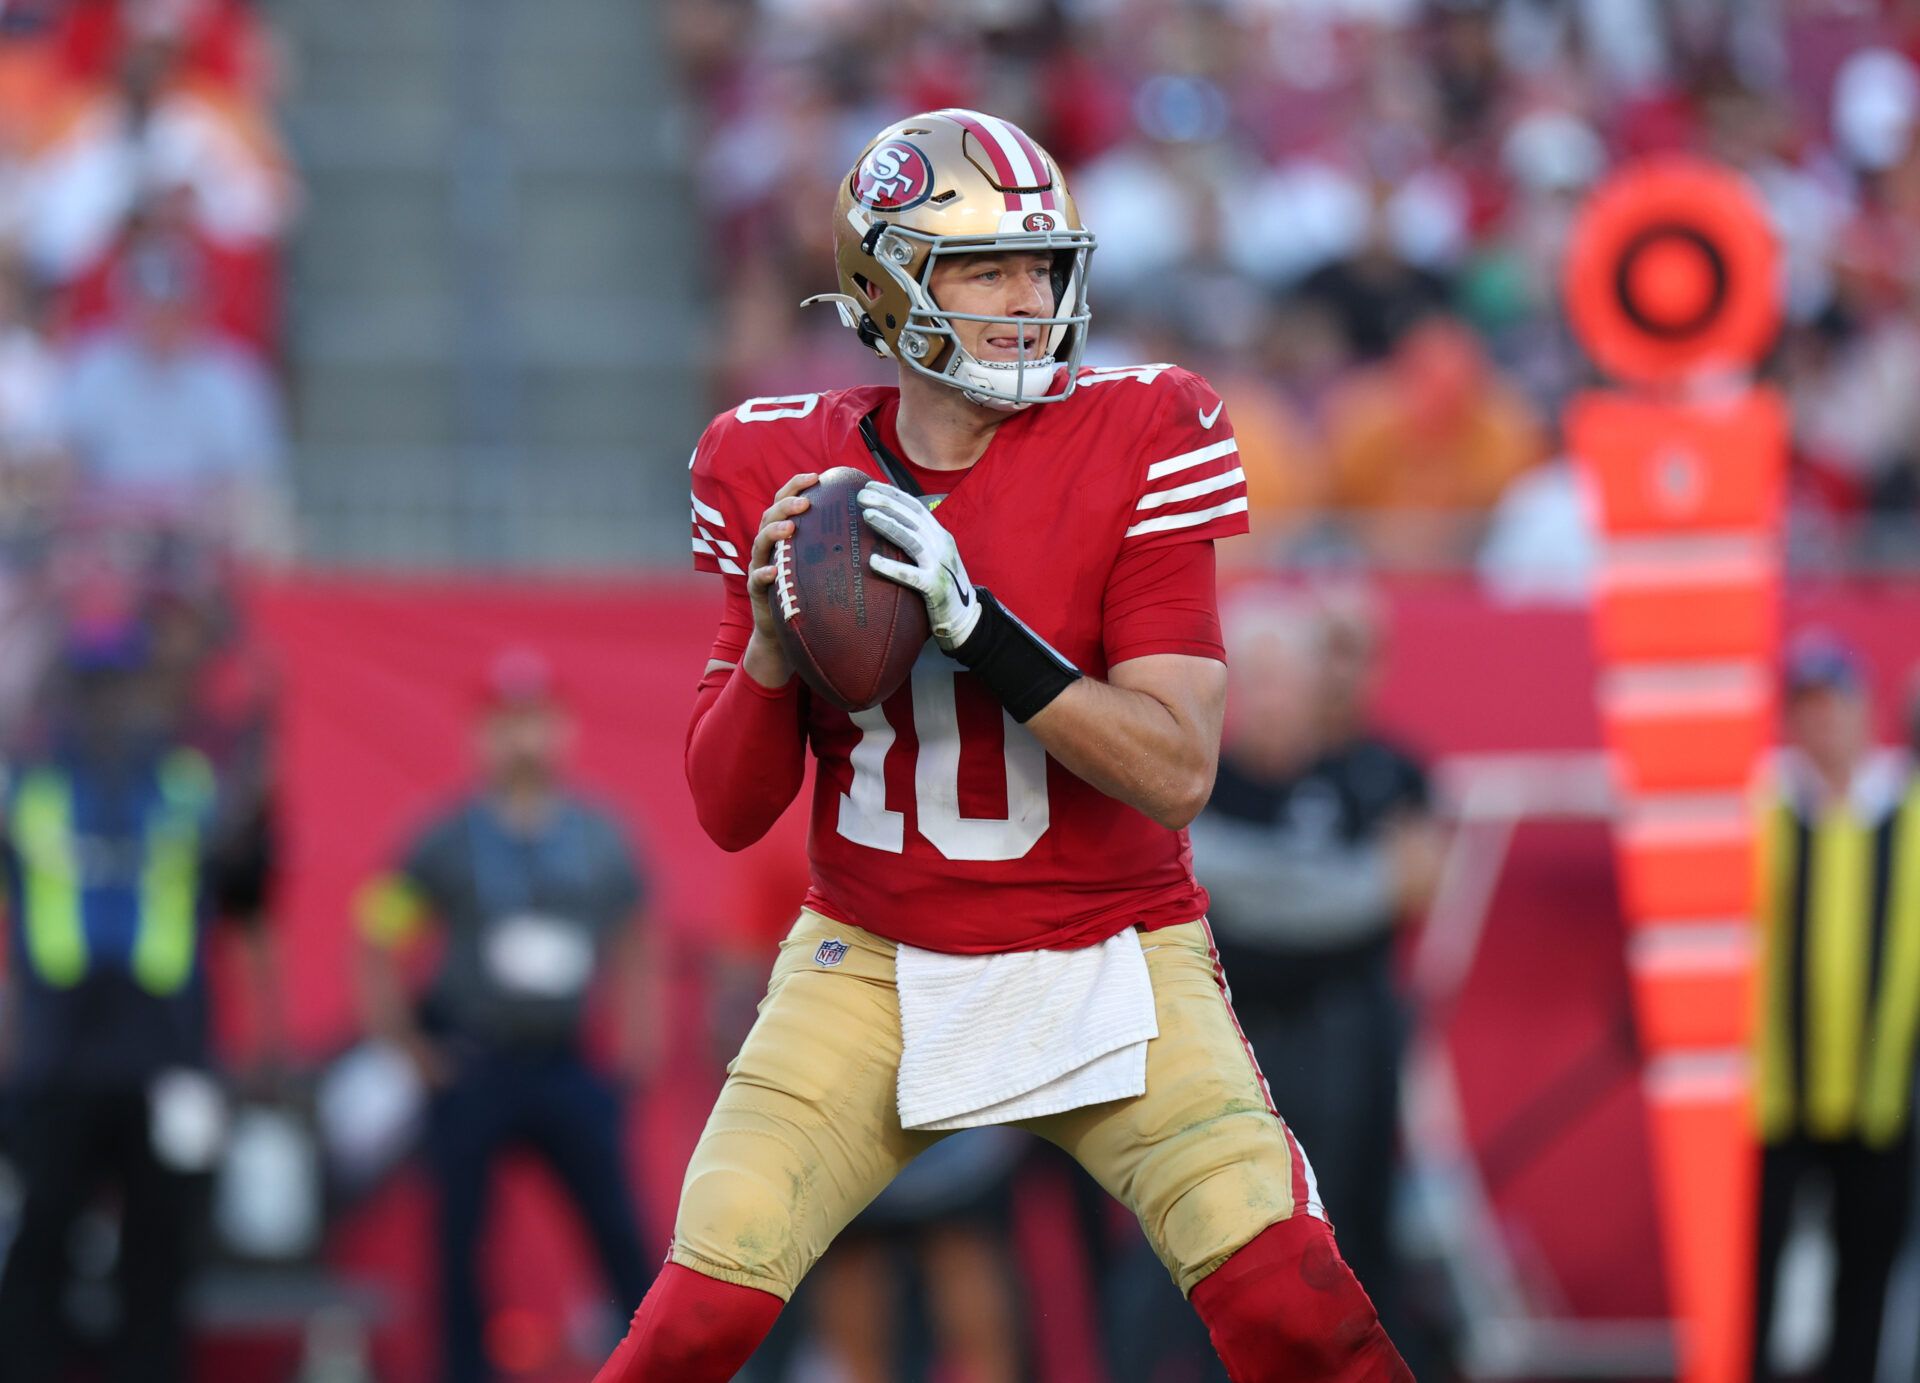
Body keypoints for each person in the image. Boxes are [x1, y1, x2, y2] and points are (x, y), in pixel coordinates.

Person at [598, 109, 1410, 1382]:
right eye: (984, 268)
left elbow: (1175, 768)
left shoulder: (1142, 431)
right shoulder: (778, 468)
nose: (1028, 297)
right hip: (871, 963)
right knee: (695, 1320)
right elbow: (726, 808)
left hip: (1113, 955)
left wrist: (976, 627)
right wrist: (765, 651)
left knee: (1299, 1311)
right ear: (883, 287)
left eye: (1040, 264)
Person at [355, 648, 658, 1383]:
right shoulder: (443, 836)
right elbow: (376, 930)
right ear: (479, 733)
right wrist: (404, 1045)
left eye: (537, 720)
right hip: (474, 1059)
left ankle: (655, 1365)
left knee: (622, 1233)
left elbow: (637, 937)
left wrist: (639, 1047)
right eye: (506, 723)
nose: (523, 740)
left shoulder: (601, 835)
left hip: (564, 1057)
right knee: (458, 1240)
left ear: (564, 728)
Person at [0, 596, 276, 1383]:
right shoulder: (32, 786)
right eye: (91, 688)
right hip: (58, 1060)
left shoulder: (189, 783)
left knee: (159, 1250)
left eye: (121, 686)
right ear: (65, 697)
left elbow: (247, 887)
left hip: (168, 1056)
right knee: (43, 1236)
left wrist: (259, 1037)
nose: (107, 705)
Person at [1186, 590, 1441, 1353]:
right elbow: (1195, 873)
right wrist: (1357, 886)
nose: (1269, 699)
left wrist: (1252, 886)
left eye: (1282, 679)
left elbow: (1423, 878)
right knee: (1225, 1239)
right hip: (1228, 1046)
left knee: (1344, 1230)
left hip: (1344, 1043)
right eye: (1253, 680)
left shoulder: (1378, 773)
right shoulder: (1198, 776)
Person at [1750, 634, 1920, 1383]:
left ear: (1865, 711)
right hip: (1771, 1097)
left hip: (1882, 1092)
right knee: (1754, 1278)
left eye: (1834, 707)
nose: (1822, 726)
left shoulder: (1906, 812)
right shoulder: (1764, 809)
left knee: (1867, 1279)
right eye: (1806, 710)